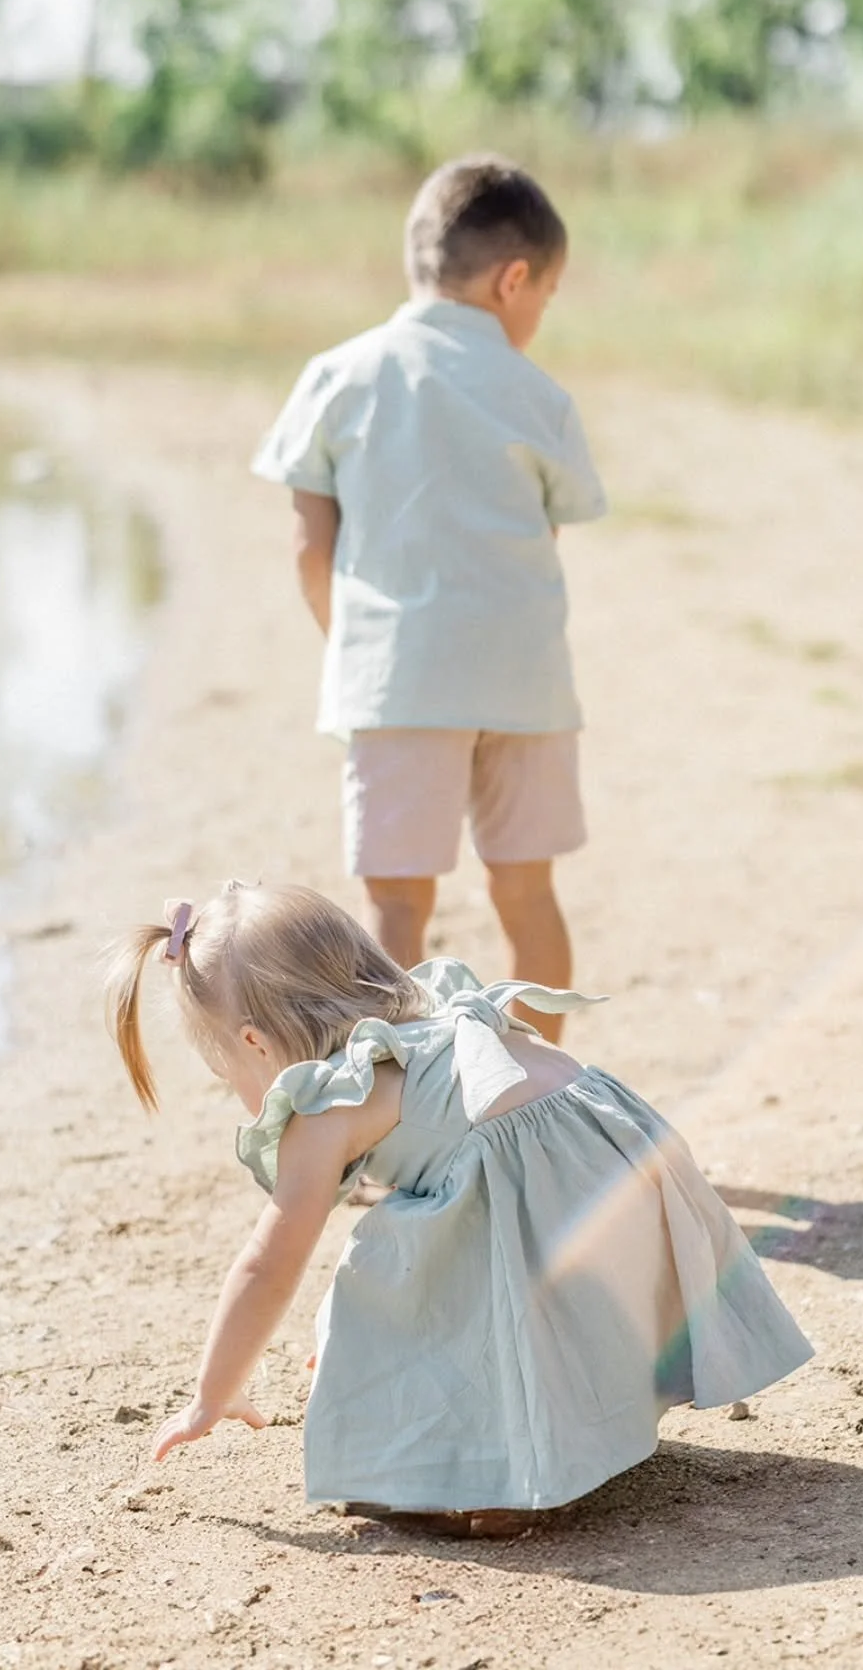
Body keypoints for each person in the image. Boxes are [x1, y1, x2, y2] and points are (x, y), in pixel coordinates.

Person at [104, 881, 813, 1530]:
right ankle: (591, 1421)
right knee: (429, 1221)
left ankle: (500, 1482)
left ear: (256, 1044)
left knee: (393, 1251)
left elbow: (269, 1264)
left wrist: (212, 1394)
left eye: (228, 1072)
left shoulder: (327, 1103)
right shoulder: (441, 1013)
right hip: (628, 1166)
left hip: (549, 1201)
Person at [252, 154, 607, 1041]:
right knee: (528, 894)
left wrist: (352, 647)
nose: (540, 315)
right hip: (523, 683)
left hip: (399, 677)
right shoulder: (540, 396)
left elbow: (310, 546)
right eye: (546, 297)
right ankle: (535, 1102)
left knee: (398, 910)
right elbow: (544, 536)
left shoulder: (339, 375)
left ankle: (409, 1115)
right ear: (512, 279)